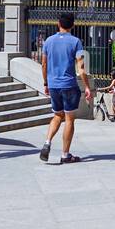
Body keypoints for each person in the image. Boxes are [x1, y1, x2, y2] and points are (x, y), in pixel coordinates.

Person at [39, 12, 93, 164]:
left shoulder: (48, 41)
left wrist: (46, 83)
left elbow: (44, 64)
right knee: (69, 119)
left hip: (53, 84)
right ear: (73, 25)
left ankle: (47, 142)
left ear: (58, 24)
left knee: (57, 115)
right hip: (68, 84)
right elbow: (81, 68)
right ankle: (65, 154)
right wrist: (87, 87)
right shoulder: (76, 42)